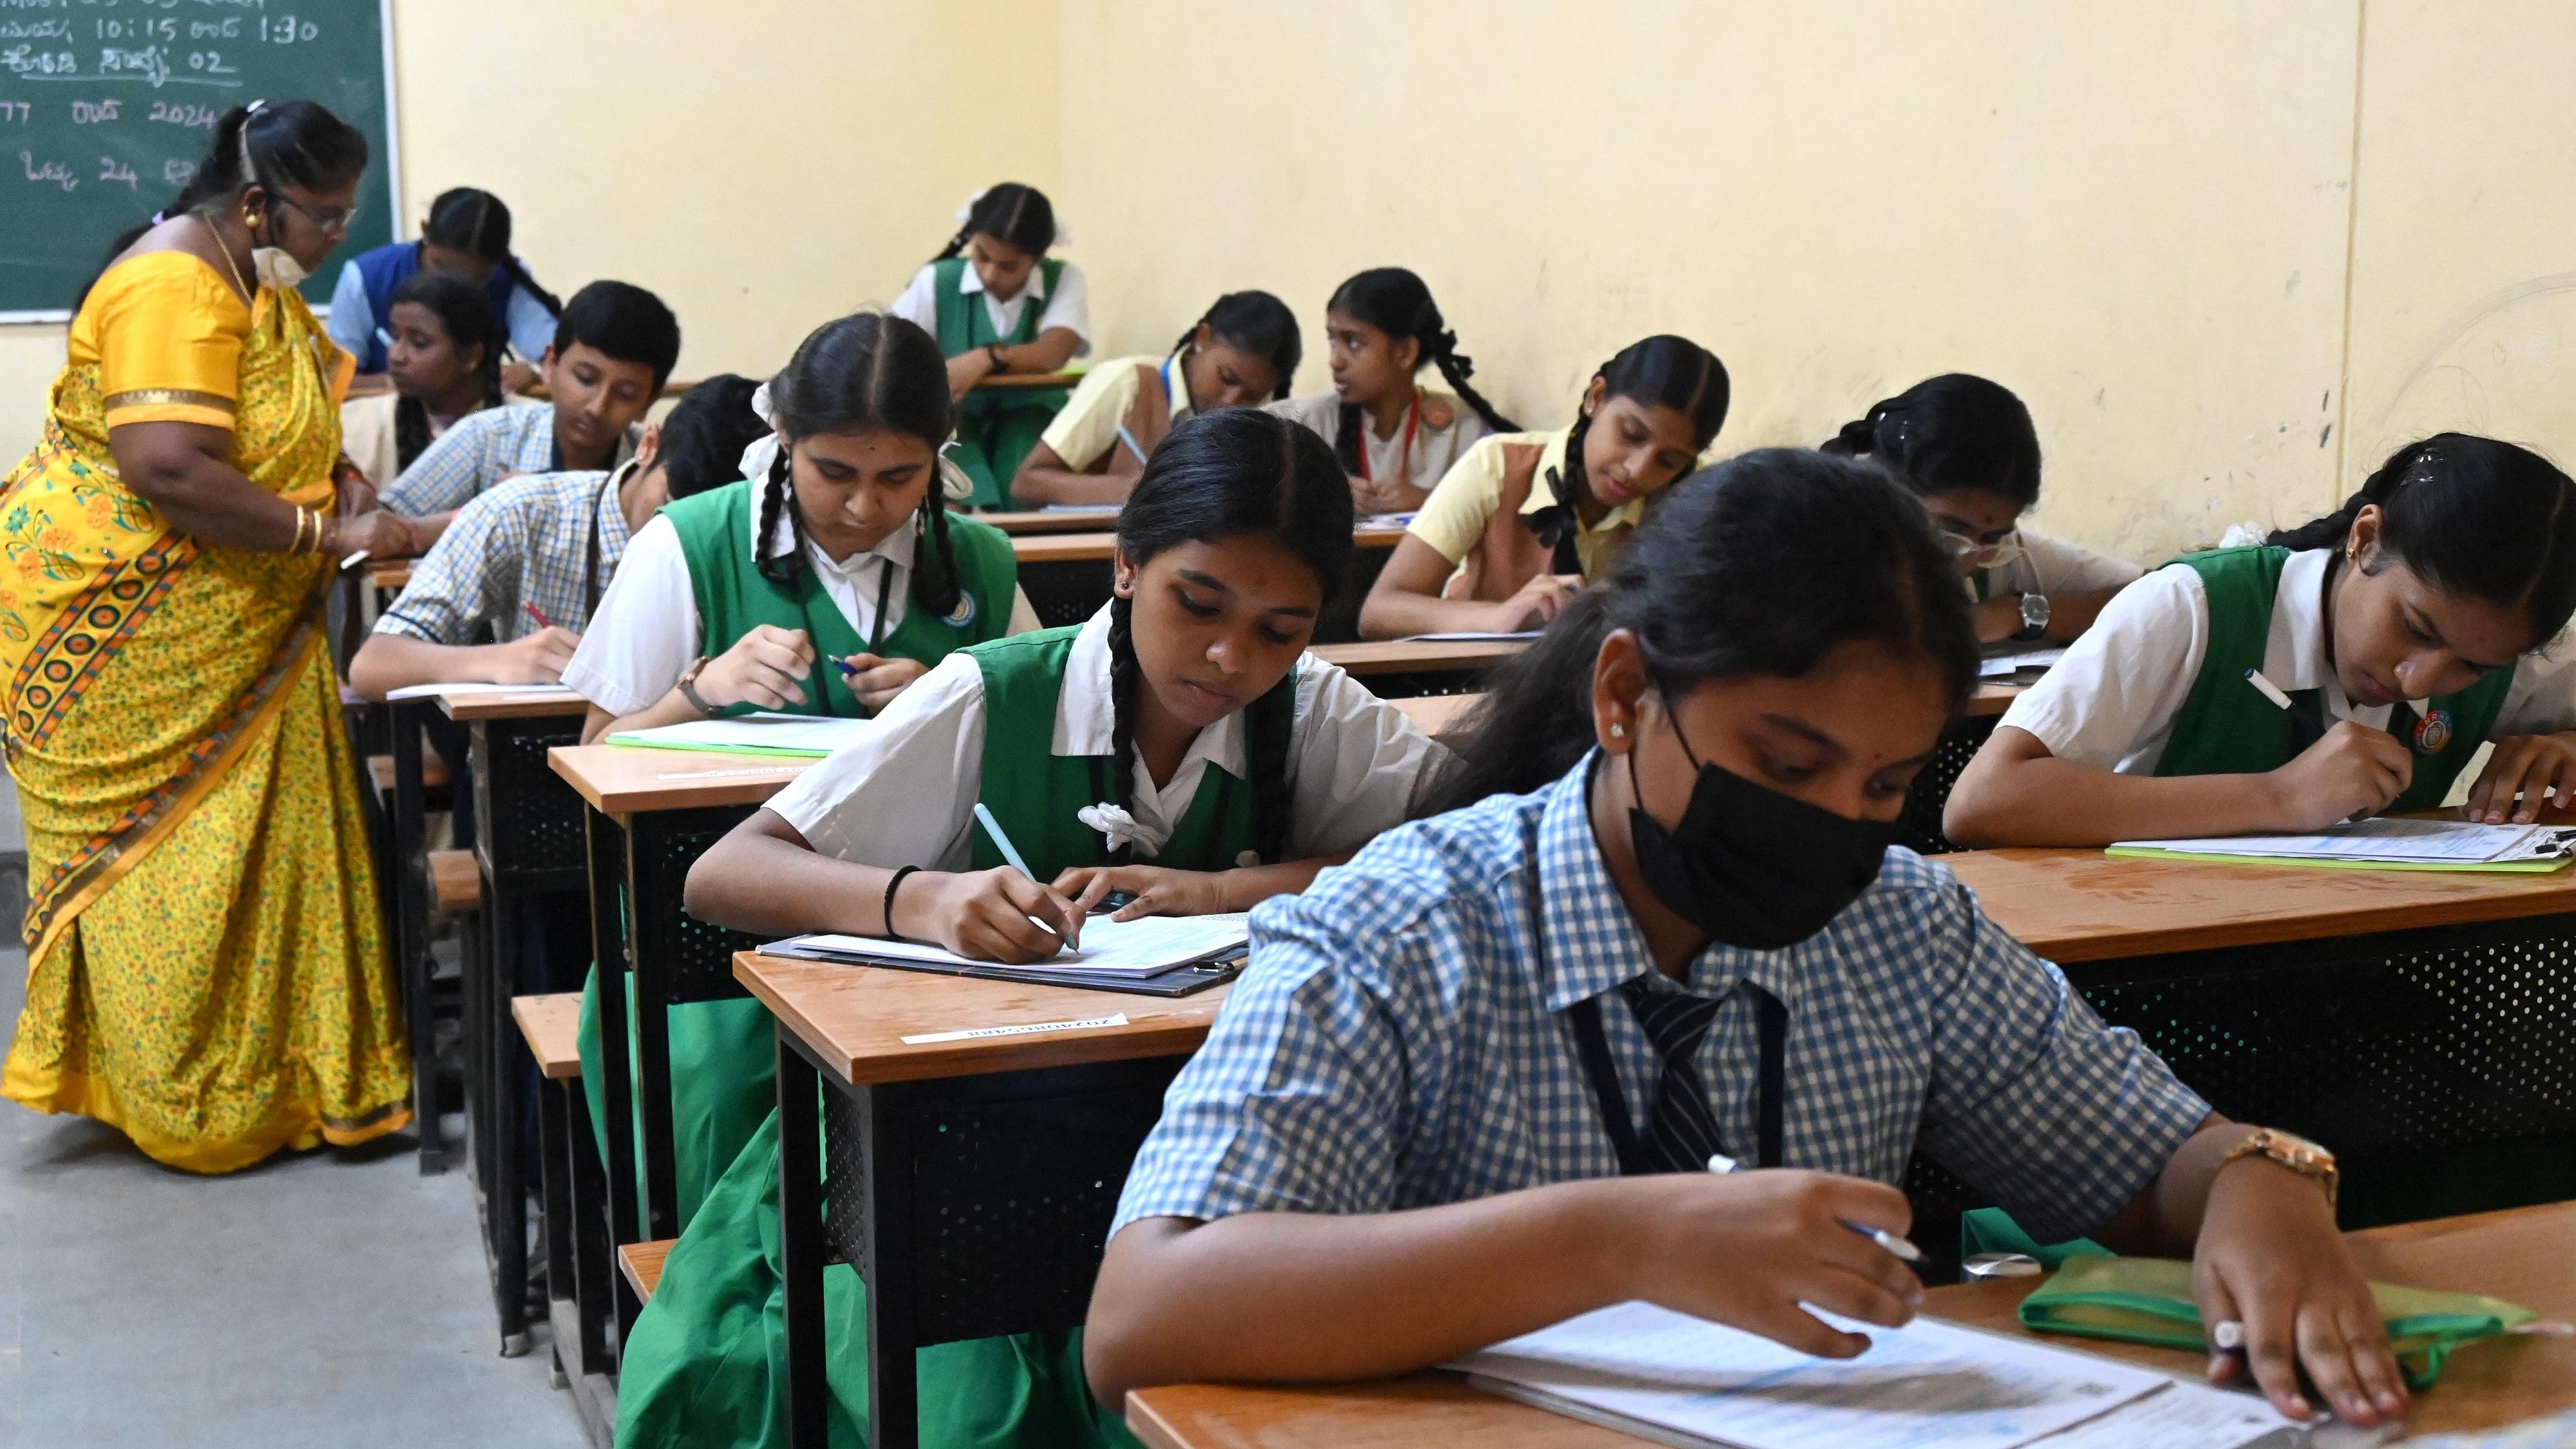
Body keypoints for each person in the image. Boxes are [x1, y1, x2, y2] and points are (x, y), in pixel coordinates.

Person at [1085, 451, 2412, 1433]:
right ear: (1624, 694)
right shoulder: (1405, 926)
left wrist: (2260, 1183)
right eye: (1785, 760)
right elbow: (1147, 1309)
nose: (1833, 823)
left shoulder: (1897, 924)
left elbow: (2148, 1160)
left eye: (1885, 782)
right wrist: (1618, 1239)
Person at [616, 407, 1448, 1448]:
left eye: (1280, 628)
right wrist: (916, 897)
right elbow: (723, 872)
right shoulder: (992, 692)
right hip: (954, 1153)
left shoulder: (1312, 710)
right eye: (1197, 602)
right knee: (980, 1417)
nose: (1231, 653)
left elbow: (1469, 850)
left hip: (1209, 1153)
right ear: (1126, 565)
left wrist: (1224, 887)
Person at [0, 99, 414, 1172]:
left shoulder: (247, 283)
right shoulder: (169, 284)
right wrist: (332, 529)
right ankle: (185, 1100)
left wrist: (345, 477)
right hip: (117, 634)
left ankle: (281, 1076)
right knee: (167, 871)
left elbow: (292, 406)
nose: (335, 239)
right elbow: (169, 467)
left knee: (260, 857)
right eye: (323, 216)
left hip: (230, 624)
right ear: (253, 203)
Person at [562, 313, 1034, 1227]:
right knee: (712, 1088)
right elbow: (595, 748)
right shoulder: (690, 543)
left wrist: (955, 695)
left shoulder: (975, 557)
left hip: (930, 933)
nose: (865, 506)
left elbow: (1047, 744)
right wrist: (700, 693)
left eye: (900, 477)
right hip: (717, 944)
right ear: (782, 437)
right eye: (834, 473)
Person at [1943, 434, 2576, 847]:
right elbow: (1983, 799)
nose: (2419, 680)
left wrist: (2563, 747)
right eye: (2414, 628)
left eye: (2470, 667)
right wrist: (2282, 795)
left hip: (2338, 982)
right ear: (2365, 539)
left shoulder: (2502, 652)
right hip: (2147, 984)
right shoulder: (2196, 608)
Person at [347, 375, 767, 699]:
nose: (682, 537)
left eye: (709, 528)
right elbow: (372, 665)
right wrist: (498, 659)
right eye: (670, 506)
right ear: (648, 446)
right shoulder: (524, 512)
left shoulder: (766, 536)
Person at [1358, 334, 1726, 640]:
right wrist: (1497, 616)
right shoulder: (1497, 466)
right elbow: (1380, 611)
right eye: (1630, 434)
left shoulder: (1692, 501)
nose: (1637, 471)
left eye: (1670, 461)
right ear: (1595, 397)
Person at [1821, 374, 2140, 646]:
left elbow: (2160, 596)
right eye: (1950, 531)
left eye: (1992, 538)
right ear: (1885, 494)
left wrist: (2019, 614)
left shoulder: (2001, 559)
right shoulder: (1805, 558)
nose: (1970, 558)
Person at [379, 279, 680, 551]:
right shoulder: (487, 436)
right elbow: (384, 526)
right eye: (586, 379)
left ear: (648, 402)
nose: (597, 407)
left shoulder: (655, 475)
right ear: (550, 365)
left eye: (626, 395)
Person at [888, 183, 1091, 508]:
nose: (990, 272)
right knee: (953, 485)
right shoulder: (937, 279)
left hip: (1032, 414)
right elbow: (893, 351)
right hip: (955, 414)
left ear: (1037, 258)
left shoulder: (1064, 279)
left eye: (1009, 266)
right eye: (982, 255)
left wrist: (986, 358)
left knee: (1027, 485)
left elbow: (1054, 351)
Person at [1009, 291, 1299, 508]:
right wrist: (1146, 489)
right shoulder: (1127, 381)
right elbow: (1027, 483)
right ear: (1202, 338)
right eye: (1227, 378)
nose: (1231, 402)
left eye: (1253, 395)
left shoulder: (1262, 422)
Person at [1265, 267, 1515, 515]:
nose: (1335, 360)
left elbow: (1506, 512)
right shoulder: (1295, 425)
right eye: (1333, 340)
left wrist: (1433, 500)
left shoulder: (1462, 429)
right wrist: (1318, 497)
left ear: (1405, 352)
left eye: (1353, 342)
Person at [327, 186, 562, 384]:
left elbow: (560, 359)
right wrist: (389, 384)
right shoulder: (366, 277)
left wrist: (535, 371)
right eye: (442, 269)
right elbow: (332, 380)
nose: (454, 289)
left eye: (474, 281)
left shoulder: (509, 279)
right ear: (425, 233)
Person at [337, 268, 510, 490]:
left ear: (470, 357)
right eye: (395, 337)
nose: (395, 355)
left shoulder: (527, 426)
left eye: (419, 342)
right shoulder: (354, 426)